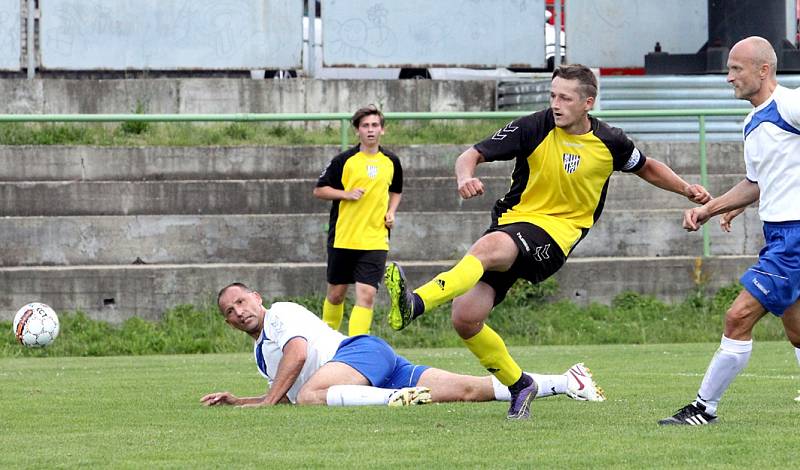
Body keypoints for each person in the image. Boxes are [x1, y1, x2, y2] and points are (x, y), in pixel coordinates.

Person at [383, 64, 711, 420]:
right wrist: (465, 176)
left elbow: (645, 166)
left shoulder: (610, 141)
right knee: (465, 318)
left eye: (565, 98)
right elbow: (470, 154)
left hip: (556, 236)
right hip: (514, 222)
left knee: (488, 249)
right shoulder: (533, 126)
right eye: (553, 95)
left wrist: (685, 189)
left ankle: (415, 303)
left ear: (588, 102)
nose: (556, 104)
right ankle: (521, 384)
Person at [659, 36, 800, 426]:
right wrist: (713, 208)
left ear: (764, 70)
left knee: (737, 317)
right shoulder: (751, 121)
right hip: (778, 234)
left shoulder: (789, 104)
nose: (728, 77)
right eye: (729, 69)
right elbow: (756, 182)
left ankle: (703, 408)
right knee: (797, 328)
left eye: (736, 69)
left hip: (794, 238)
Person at [201, 282, 605, 408]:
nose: (238, 311)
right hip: (367, 371)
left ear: (256, 297)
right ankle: (568, 382)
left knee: (311, 396)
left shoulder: (281, 313)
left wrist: (270, 403)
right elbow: (282, 397)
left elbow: (299, 355)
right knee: (468, 390)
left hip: (360, 354)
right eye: (230, 311)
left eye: (241, 301)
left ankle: (396, 398)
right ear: (227, 322)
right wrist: (242, 402)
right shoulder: (260, 354)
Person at [312, 105, 402, 336]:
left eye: (375, 125)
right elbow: (319, 190)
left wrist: (391, 212)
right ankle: (325, 344)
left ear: (382, 130)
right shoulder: (344, 160)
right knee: (336, 294)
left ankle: (355, 351)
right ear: (357, 131)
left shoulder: (391, 161)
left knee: (367, 295)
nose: (370, 130)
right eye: (365, 126)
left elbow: (396, 190)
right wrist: (346, 194)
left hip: (375, 240)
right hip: (344, 238)